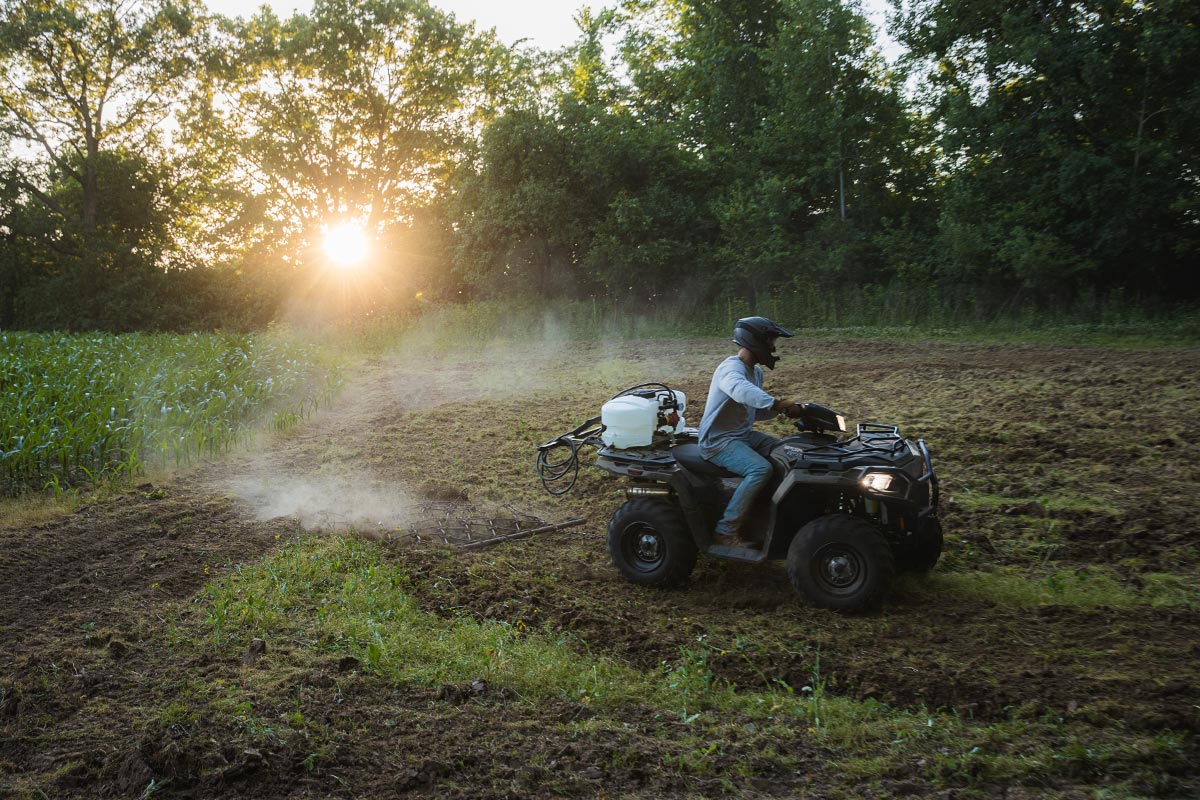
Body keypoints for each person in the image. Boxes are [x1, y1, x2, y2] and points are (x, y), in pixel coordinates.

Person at [698, 316, 802, 548]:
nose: (773, 347)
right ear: (755, 341)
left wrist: (784, 411)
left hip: (741, 436)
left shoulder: (755, 372)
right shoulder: (730, 368)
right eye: (770, 341)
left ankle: (766, 513)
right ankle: (725, 530)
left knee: (786, 451)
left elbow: (754, 410)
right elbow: (740, 391)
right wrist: (777, 403)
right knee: (759, 469)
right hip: (718, 441)